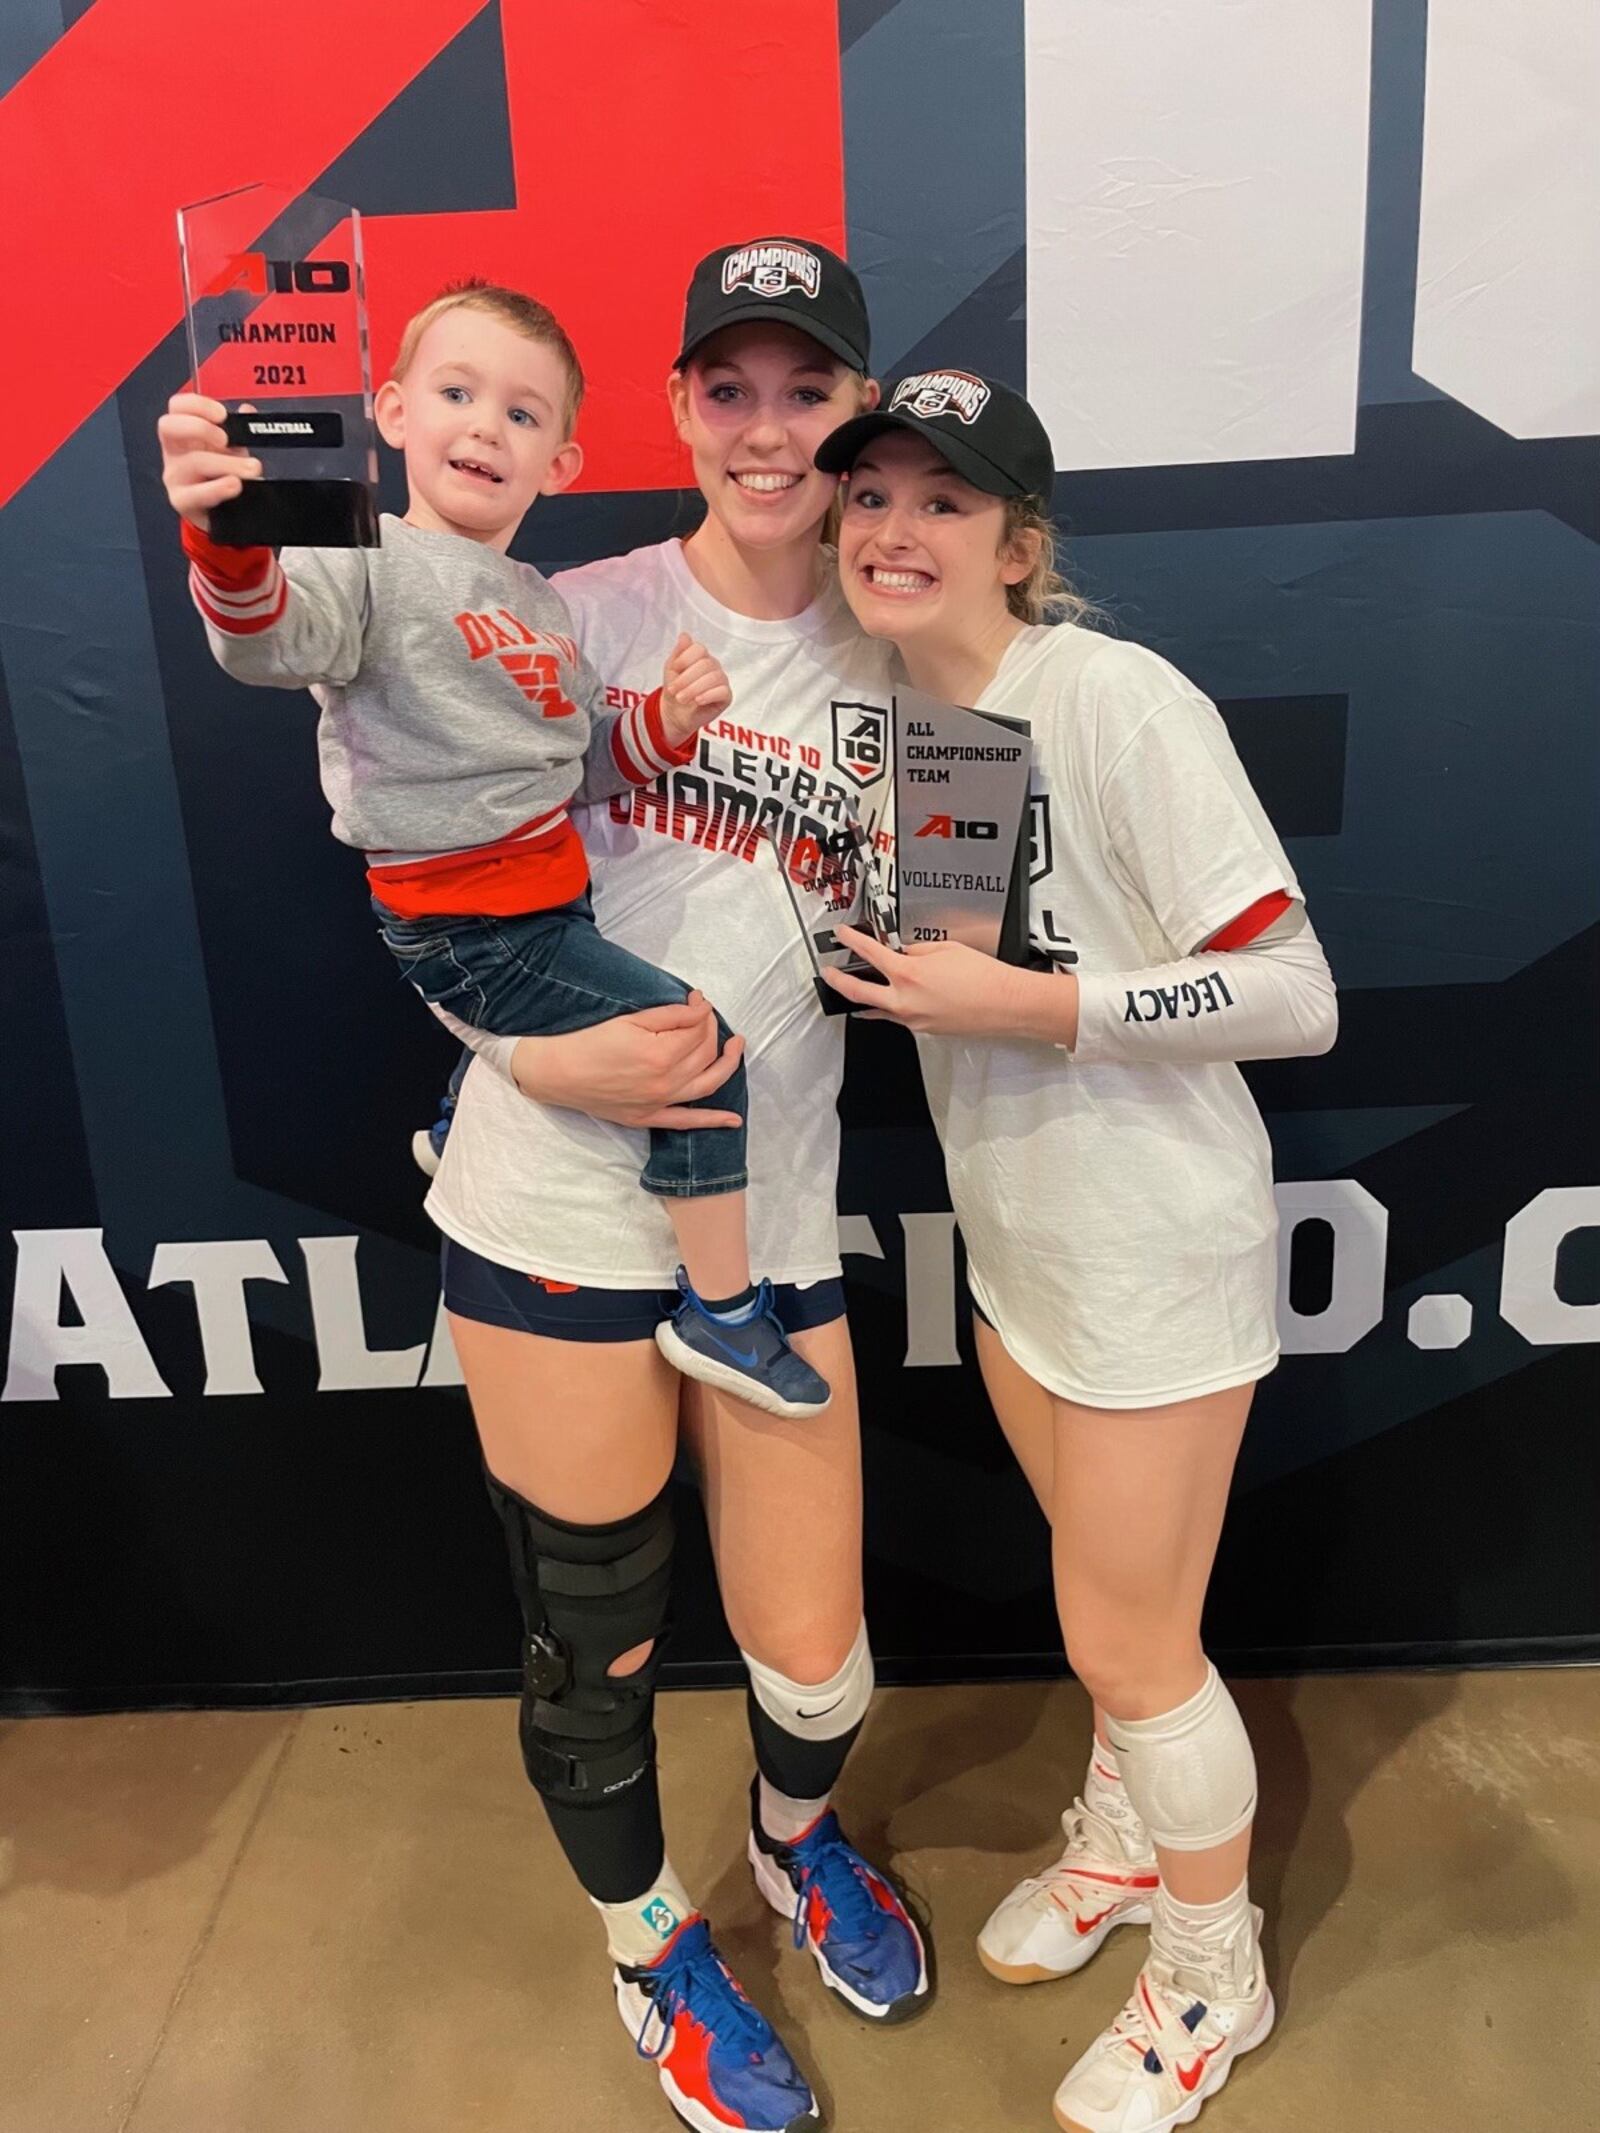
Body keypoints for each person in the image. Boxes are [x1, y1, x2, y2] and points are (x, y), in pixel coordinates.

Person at [422, 240, 929, 2133]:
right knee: (595, 1642)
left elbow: (935, 950)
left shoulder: (917, 652)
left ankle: (793, 1847)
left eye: (809, 391)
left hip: (772, 1222)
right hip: (552, 1211)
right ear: (677, 410)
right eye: (733, 387)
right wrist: (537, 1055)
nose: (770, 426)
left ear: (854, 416)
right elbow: (423, 883)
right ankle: (653, 1945)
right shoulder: (570, 612)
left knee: (820, 1656)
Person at [815, 371, 1338, 2133]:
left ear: (1018, 546)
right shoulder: (910, 708)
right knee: (1118, 1612)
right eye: (872, 495)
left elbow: (1292, 991)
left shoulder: (1114, 696)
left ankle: (1215, 1970)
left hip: (1152, 1259)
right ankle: (1127, 1841)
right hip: (1024, 1242)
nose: (898, 529)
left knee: (1132, 1649)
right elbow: (955, 961)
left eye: (945, 503)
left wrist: (1038, 1000)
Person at [157, 280, 830, 1422]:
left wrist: (662, 727)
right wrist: (225, 540)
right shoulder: (362, 550)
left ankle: (460, 1105)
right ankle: (722, 1308)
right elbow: (271, 635)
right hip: (469, 918)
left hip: (539, 898)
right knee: (702, 1046)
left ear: (560, 463)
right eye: (456, 393)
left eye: (521, 414)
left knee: (627, 999)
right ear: (393, 410)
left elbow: (572, 768)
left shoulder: (540, 603)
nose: (484, 426)